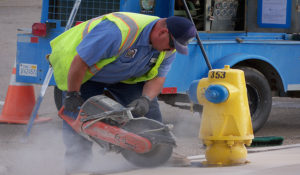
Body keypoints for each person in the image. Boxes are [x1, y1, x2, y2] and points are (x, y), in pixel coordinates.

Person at [49, 12, 196, 174]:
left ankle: (161, 151)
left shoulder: (167, 49)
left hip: (125, 75)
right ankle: (77, 164)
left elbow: (158, 79)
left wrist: (145, 100)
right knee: (82, 118)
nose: (172, 49)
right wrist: (72, 94)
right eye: (172, 44)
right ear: (162, 32)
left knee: (150, 110)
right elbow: (80, 62)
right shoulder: (116, 32)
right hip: (85, 74)